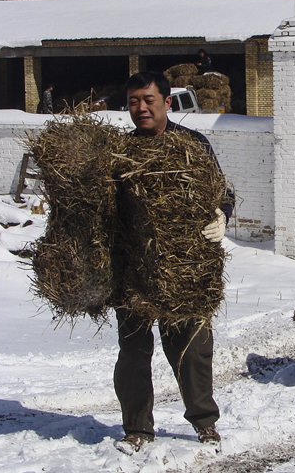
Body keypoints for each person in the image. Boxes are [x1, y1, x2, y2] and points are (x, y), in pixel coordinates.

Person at [114, 71, 234, 452]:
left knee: (192, 347)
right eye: (134, 101)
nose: (141, 108)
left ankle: (204, 421)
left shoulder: (193, 145)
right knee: (133, 352)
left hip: (185, 269)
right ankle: (137, 428)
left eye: (148, 100)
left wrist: (222, 213)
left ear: (167, 102)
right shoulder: (120, 152)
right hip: (133, 269)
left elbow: (222, 190)